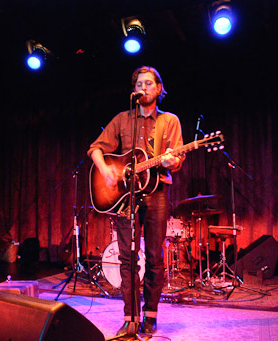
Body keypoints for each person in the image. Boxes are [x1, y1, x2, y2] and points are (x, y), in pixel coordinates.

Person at [88, 66, 185, 336]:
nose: (143, 88)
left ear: (158, 89)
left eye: (149, 83)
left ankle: (151, 315)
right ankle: (130, 317)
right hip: (125, 197)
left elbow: (177, 159)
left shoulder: (170, 121)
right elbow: (96, 148)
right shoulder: (122, 119)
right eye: (139, 83)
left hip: (156, 194)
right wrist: (107, 171)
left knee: (154, 257)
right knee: (127, 259)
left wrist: (171, 160)